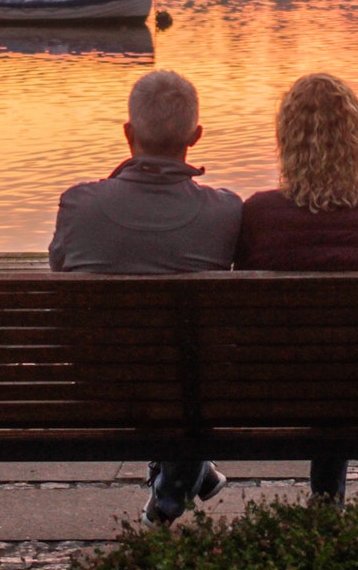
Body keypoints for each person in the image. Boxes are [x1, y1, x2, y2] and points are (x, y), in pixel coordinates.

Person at [50, 68, 242, 526]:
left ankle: (183, 478)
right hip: (195, 393)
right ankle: (182, 479)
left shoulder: (79, 204)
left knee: (150, 359)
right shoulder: (226, 212)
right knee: (186, 364)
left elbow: (60, 274)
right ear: (196, 136)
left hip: (97, 390)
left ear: (128, 133)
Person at [235, 72, 358, 502]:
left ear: (286, 141)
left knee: (312, 353)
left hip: (272, 390)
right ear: (357, 139)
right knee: (343, 354)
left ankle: (325, 498)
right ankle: (327, 497)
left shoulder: (258, 214)